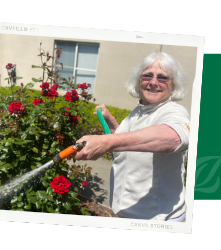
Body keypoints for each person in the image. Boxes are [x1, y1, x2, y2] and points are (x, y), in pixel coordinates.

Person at [74, 52, 189, 222]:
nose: (153, 82)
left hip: (158, 219)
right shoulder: (140, 110)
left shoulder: (174, 111)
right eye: (147, 75)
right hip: (128, 213)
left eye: (163, 77)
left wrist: (106, 142)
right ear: (138, 80)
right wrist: (111, 121)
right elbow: (127, 140)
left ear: (173, 85)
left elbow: (175, 138)